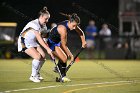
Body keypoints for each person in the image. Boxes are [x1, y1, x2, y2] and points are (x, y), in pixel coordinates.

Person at [18, 6, 54, 83]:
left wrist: (49, 47)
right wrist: (47, 49)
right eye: (46, 19)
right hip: (24, 41)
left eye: (48, 19)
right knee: (37, 56)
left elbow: (44, 38)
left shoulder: (44, 26)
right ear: (41, 17)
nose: (47, 21)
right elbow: (39, 39)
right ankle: (33, 76)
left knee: (43, 57)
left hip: (32, 42)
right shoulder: (34, 24)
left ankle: (37, 73)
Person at [47, 13, 87, 82]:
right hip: (51, 42)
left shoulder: (71, 23)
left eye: (76, 26)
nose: (74, 28)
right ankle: (63, 76)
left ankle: (58, 68)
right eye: (74, 26)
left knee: (64, 57)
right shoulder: (63, 29)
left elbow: (80, 32)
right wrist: (71, 56)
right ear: (70, 22)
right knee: (65, 58)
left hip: (57, 41)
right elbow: (64, 45)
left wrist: (83, 42)